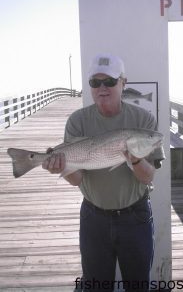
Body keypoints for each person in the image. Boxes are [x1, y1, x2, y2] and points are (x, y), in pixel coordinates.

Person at [42, 53, 165, 292]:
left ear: (123, 83)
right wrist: (62, 168)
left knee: (139, 285)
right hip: (93, 217)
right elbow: (77, 178)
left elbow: (147, 177)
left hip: (135, 216)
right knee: (96, 287)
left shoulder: (142, 120)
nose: (102, 88)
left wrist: (136, 159)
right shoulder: (77, 120)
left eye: (109, 81)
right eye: (95, 82)